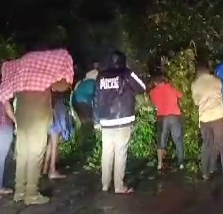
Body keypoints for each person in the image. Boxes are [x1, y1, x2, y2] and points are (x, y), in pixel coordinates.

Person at [0, 49, 74, 205]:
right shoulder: (46, 73)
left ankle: (19, 192)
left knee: (23, 154)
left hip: (22, 116)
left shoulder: (22, 73)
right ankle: (32, 193)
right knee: (36, 154)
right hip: (38, 115)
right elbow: (63, 85)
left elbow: (7, 95)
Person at [93, 50, 146, 194]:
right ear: (123, 61)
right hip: (123, 119)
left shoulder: (101, 75)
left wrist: (96, 120)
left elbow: (96, 98)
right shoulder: (127, 73)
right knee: (120, 152)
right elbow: (142, 87)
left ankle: (105, 184)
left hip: (105, 121)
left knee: (107, 152)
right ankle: (119, 186)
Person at [191, 61, 223, 186]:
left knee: (207, 145)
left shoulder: (195, 85)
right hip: (218, 117)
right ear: (208, 70)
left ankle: (205, 173)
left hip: (204, 119)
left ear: (198, 72)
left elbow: (196, 102)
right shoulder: (217, 81)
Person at [149, 73, 185, 171]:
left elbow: (154, 104)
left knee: (161, 141)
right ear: (164, 81)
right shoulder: (171, 87)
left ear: (155, 83)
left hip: (162, 117)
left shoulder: (153, 92)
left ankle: (160, 164)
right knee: (178, 141)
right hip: (174, 116)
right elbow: (180, 95)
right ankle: (181, 163)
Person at [41, 91, 74, 179]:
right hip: (56, 119)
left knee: (50, 143)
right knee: (54, 145)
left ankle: (45, 168)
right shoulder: (60, 98)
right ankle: (52, 170)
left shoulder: (49, 90)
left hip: (49, 116)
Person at [71, 73, 97, 148]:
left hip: (75, 102)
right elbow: (98, 99)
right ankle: (87, 144)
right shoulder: (94, 83)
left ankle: (79, 143)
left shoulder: (82, 82)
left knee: (82, 122)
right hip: (84, 103)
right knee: (88, 122)